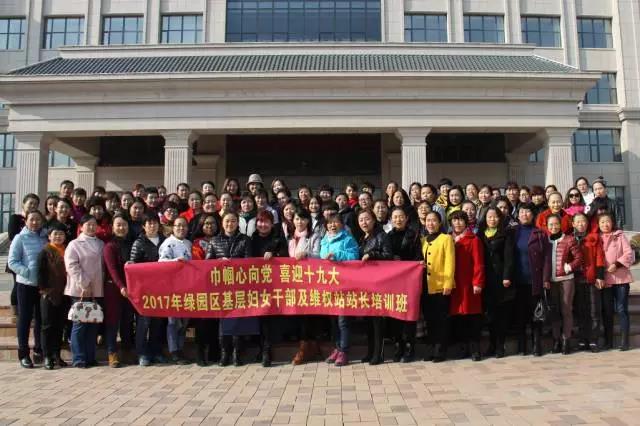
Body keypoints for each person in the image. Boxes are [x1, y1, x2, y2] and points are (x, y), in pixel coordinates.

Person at [206, 211, 253, 366]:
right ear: (222, 223)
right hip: (221, 287)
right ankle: (224, 353)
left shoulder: (245, 240)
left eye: (233, 221)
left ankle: (237, 354)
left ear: (237, 223)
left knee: (238, 320)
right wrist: (218, 262)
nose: (230, 224)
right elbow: (206, 264)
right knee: (223, 321)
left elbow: (249, 262)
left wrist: (234, 263)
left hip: (239, 285)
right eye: (227, 221)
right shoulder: (214, 241)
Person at [64, 215, 105, 368]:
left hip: (97, 289)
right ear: (81, 227)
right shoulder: (74, 244)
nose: (92, 227)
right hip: (80, 290)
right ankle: (79, 358)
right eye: (88, 224)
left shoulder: (101, 243)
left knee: (93, 324)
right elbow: (71, 266)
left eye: (94, 224)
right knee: (80, 323)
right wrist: (84, 284)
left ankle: (90, 357)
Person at [8, 210, 47, 368]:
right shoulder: (20, 238)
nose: (35, 222)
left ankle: (39, 350)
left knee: (41, 319)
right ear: (26, 221)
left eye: (38, 219)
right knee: (24, 319)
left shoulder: (45, 237)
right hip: (25, 285)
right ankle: (23, 354)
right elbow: (12, 262)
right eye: (32, 219)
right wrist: (28, 273)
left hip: (42, 285)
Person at [512, 203, 551, 356]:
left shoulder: (540, 233)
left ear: (533, 215)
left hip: (535, 280)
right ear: (518, 215)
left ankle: (537, 345)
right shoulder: (512, 232)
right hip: (517, 280)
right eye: (522, 212)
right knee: (520, 315)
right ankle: (522, 346)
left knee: (536, 314)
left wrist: (545, 278)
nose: (524, 214)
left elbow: (547, 258)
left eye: (527, 212)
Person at [320, 214, 359, 367]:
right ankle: (337, 348)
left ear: (342, 224)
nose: (332, 225)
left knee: (343, 320)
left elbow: (354, 256)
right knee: (333, 321)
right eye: (329, 223)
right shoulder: (324, 240)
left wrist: (337, 255)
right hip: (329, 284)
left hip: (344, 284)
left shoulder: (348, 239)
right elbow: (321, 256)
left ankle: (344, 350)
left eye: (336, 222)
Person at [251, 210, 288, 367]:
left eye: (266, 221)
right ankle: (261, 349)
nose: (263, 224)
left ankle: (267, 350)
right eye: (260, 221)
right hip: (256, 283)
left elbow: (286, 256)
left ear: (272, 224)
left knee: (268, 317)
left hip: (274, 284)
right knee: (259, 317)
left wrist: (274, 254)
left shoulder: (278, 238)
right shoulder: (252, 239)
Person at [357, 209, 393, 365]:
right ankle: (370, 352)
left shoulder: (382, 236)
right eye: (361, 220)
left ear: (373, 220)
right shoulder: (362, 238)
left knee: (377, 320)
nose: (364, 222)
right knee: (368, 321)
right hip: (365, 283)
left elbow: (388, 255)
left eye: (367, 219)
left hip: (379, 283)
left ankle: (379, 354)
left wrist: (372, 255)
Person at [130, 214, 167, 366]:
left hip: (162, 289)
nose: (152, 226)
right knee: (143, 322)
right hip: (144, 290)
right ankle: (142, 353)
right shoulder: (139, 243)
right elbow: (133, 267)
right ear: (144, 226)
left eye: (154, 223)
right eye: (149, 223)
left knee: (158, 323)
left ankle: (156, 351)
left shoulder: (165, 241)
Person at [449, 211, 485, 361]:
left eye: (460, 220)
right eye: (454, 220)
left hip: (469, 285)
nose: (457, 223)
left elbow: (479, 263)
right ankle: (463, 349)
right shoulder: (448, 239)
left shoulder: (473, 239)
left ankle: (475, 350)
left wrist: (478, 282)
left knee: (473, 317)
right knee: (458, 319)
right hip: (453, 285)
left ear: (466, 222)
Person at [478, 207, 514, 358]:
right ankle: (491, 345)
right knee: (490, 314)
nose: (492, 219)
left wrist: (507, 276)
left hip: (501, 279)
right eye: (489, 217)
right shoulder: (480, 234)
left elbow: (509, 257)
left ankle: (500, 346)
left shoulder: (505, 234)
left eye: (495, 217)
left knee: (501, 314)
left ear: (500, 218)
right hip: (486, 279)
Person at [387, 207, 422, 362]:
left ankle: (409, 347)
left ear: (406, 218)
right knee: (395, 315)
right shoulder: (388, 236)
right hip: (393, 282)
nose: (398, 220)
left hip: (409, 281)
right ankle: (398, 346)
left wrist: (407, 265)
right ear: (391, 219)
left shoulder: (414, 235)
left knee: (408, 315)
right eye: (395, 217)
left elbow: (418, 257)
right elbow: (385, 256)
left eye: (401, 216)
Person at [289, 208, 323, 365]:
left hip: (311, 280)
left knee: (309, 314)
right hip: (294, 281)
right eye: (297, 219)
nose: (299, 222)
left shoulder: (314, 236)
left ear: (308, 221)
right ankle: (310, 347)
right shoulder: (290, 238)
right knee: (299, 314)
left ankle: (306, 348)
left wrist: (306, 255)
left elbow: (319, 255)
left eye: (303, 219)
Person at [546, 214, 582, 355]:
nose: (553, 227)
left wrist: (569, 267)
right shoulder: (546, 240)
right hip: (551, 281)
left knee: (566, 309)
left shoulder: (569, 239)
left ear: (560, 224)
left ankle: (566, 340)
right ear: (547, 226)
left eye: (556, 224)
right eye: (551, 224)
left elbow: (579, 258)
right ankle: (556, 340)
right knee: (554, 311)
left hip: (566, 279)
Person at [158, 216, 193, 365]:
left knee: (184, 321)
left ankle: (180, 348)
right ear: (173, 227)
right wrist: (175, 262)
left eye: (184, 226)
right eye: (178, 225)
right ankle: (174, 351)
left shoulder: (188, 243)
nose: (181, 228)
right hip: (172, 288)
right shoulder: (168, 243)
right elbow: (161, 262)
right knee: (173, 321)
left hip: (187, 287)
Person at [421, 211, 455, 362]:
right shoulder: (422, 240)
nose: (431, 223)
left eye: (434, 220)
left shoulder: (446, 239)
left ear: (439, 223)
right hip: (426, 286)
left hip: (441, 285)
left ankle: (440, 351)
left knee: (441, 320)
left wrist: (448, 283)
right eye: (428, 220)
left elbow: (450, 263)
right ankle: (431, 348)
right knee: (430, 319)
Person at [598, 212, 634, 351]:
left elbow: (629, 253)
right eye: (602, 222)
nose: (605, 224)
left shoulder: (620, 235)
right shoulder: (597, 238)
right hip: (605, 279)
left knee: (621, 309)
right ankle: (608, 342)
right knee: (607, 311)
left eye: (607, 221)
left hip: (621, 278)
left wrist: (617, 264)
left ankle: (625, 342)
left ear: (612, 222)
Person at [103, 214, 135, 368]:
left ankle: (127, 351)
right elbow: (112, 270)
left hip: (131, 289)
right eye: (118, 225)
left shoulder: (132, 243)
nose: (122, 228)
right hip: (114, 289)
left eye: (124, 225)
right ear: (113, 227)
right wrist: (121, 286)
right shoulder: (109, 246)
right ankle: (112, 352)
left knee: (127, 321)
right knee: (113, 322)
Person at [572, 213, 605, 353]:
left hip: (591, 278)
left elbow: (599, 257)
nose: (581, 224)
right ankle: (582, 339)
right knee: (580, 310)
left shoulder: (594, 237)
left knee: (594, 310)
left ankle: (593, 340)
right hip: (576, 280)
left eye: (583, 221)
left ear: (587, 223)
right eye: (578, 222)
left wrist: (600, 276)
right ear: (573, 224)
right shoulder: (570, 239)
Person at [37, 224, 68, 369]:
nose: (58, 237)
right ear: (49, 236)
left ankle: (57, 355)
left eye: (61, 234)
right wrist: (45, 291)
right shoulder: (45, 252)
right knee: (47, 326)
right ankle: (47, 356)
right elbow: (40, 273)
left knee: (59, 326)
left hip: (64, 293)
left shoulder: (67, 250)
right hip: (49, 294)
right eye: (55, 234)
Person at [190, 213, 220, 366]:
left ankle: (215, 352)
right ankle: (200, 353)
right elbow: (198, 263)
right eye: (206, 223)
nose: (210, 226)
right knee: (202, 322)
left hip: (219, 285)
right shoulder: (197, 243)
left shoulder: (220, 239)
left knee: (216, 320)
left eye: (213, 223)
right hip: (202, 285)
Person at [7, 193, 40, 322]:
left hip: (31, 259)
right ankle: (15, 312)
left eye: (35, 204)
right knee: (17, 285)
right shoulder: (16, 218)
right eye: (30, 203)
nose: (33, 206)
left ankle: (29, 312)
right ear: (23, 204)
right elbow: (11, 235)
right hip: (19, 257)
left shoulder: (37, 219)